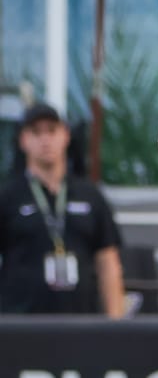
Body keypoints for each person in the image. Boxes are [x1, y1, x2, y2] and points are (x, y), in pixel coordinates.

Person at [0, 103, 125, 318]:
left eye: (51, 130)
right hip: (20, 326)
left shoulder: (90, 195)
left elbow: (108, 263)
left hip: (82, 325)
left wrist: (116, 324)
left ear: (65, 135)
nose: (45, 139)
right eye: (36, 132)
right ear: (23, 140)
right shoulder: (8, 196)